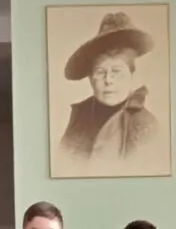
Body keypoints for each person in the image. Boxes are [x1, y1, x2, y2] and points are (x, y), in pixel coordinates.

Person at [59, 12, 159, 163]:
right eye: (100, 72)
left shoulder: (146, 126)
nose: (108, 80)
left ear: (131, 75)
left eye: (116, 72)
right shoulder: (79, 116)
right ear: (90, 79)